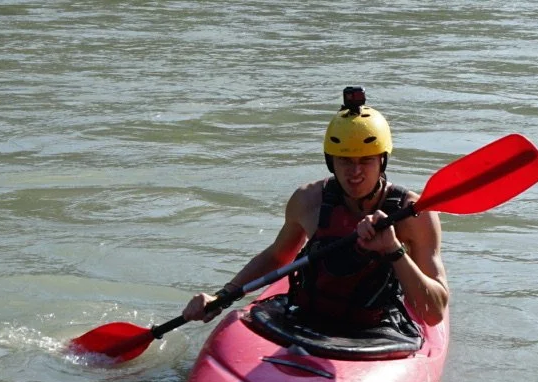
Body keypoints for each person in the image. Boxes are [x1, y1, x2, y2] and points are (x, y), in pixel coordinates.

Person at [180, 88, 448, 341]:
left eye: (365, 160)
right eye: (345, 160)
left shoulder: (413, 215)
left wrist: (393, 249)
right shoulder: (309, 201)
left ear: (382, 160)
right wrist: (222, 295)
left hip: (375, 329)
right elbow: (277, 256)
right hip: (305, 320)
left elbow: (434, 313)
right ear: (331, 161)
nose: (354, 172)